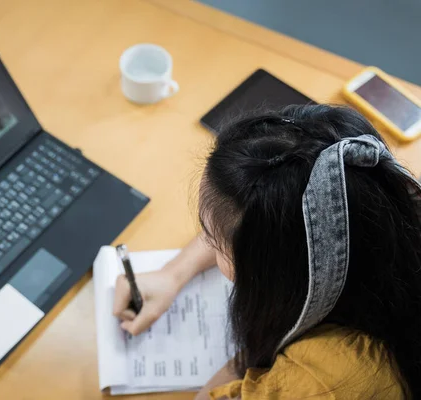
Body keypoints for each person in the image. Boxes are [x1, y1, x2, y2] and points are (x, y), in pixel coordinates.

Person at [113, 105, 421, 399]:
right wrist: (171, 274)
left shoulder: (316, 382)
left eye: (214, 241)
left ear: (275, 268)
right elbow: (250, 218)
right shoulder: (379, 195)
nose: (206, 242)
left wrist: (255, 344)